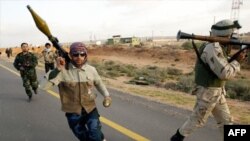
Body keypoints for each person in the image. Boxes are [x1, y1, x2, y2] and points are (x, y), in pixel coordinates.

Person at [170, 19, 247, 141]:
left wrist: (236, 56)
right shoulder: (212, 47)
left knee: (227, 122)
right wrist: (237, 61)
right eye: (232, 35)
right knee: (197, 120)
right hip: (209, 92)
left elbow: (222, 62)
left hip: (217, 91)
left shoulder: (217, 46)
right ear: (227, 34)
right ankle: (176, 138)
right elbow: (225, 73)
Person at [40, 42, 112, 141]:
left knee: (95, 135)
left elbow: (99, 83)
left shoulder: (91, 70)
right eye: (75, 54)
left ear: (86, 55)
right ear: (70, 55)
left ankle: (99, 137)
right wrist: (57, 70)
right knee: (84, 138)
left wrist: (106, 95)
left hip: (90, 109)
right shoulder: (62, 71)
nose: (79, 57)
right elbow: (43, 86)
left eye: (82, 54)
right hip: (73, 112)